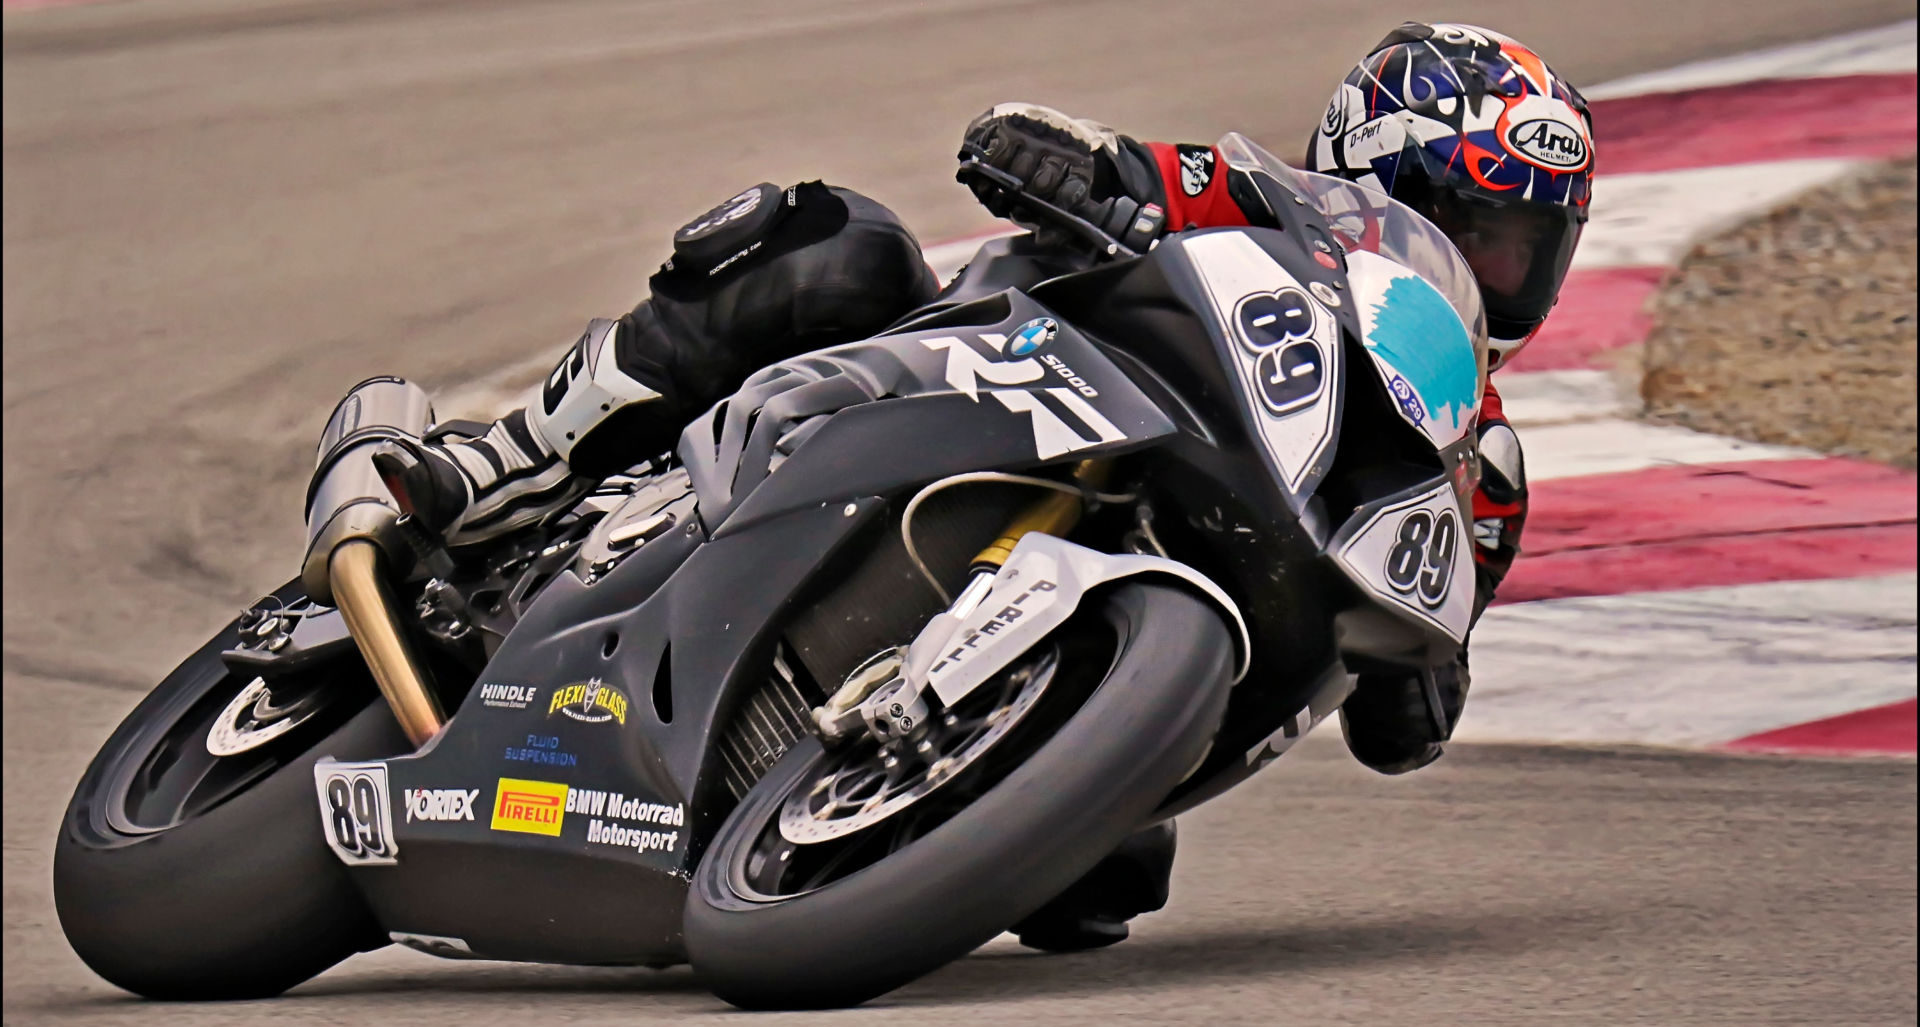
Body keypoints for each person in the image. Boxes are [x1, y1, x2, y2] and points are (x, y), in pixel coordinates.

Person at [320, 20, 1594, 953]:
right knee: (827, 246)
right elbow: (1084, 158)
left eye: (1524, 247)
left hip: (1154, 637)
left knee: (1102, 894)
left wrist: (1428, 668)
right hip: (979, 387)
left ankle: (963, 784)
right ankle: (514, 464)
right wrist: (1061, 159)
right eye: (1472, 222)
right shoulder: (1248, 198)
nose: (1494, 266)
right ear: (1379, 170)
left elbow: (1404, 724)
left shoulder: (1475, 459)